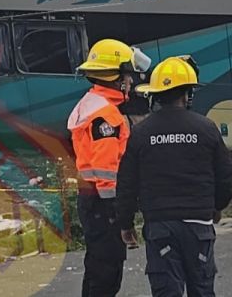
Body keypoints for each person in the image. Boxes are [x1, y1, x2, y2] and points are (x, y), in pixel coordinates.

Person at [117, 56, 232, 297]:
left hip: (159, 226)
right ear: (187, 94)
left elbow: (127, 183)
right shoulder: (206, 128)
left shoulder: (141, 133)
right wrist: (216, 207)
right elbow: (225, 177)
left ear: (155, 95)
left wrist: (125, 223)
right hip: (198, 225)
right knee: (202, 290)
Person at [67, 39, 150, 297]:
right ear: (116, 78)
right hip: (103, 203)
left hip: (91, 199)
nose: (131, 82)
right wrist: (119, 210)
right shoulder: (107, 115)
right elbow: (107, 167)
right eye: (128, 76)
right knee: (107, 271)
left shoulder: (92, 102)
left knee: (96, 266)